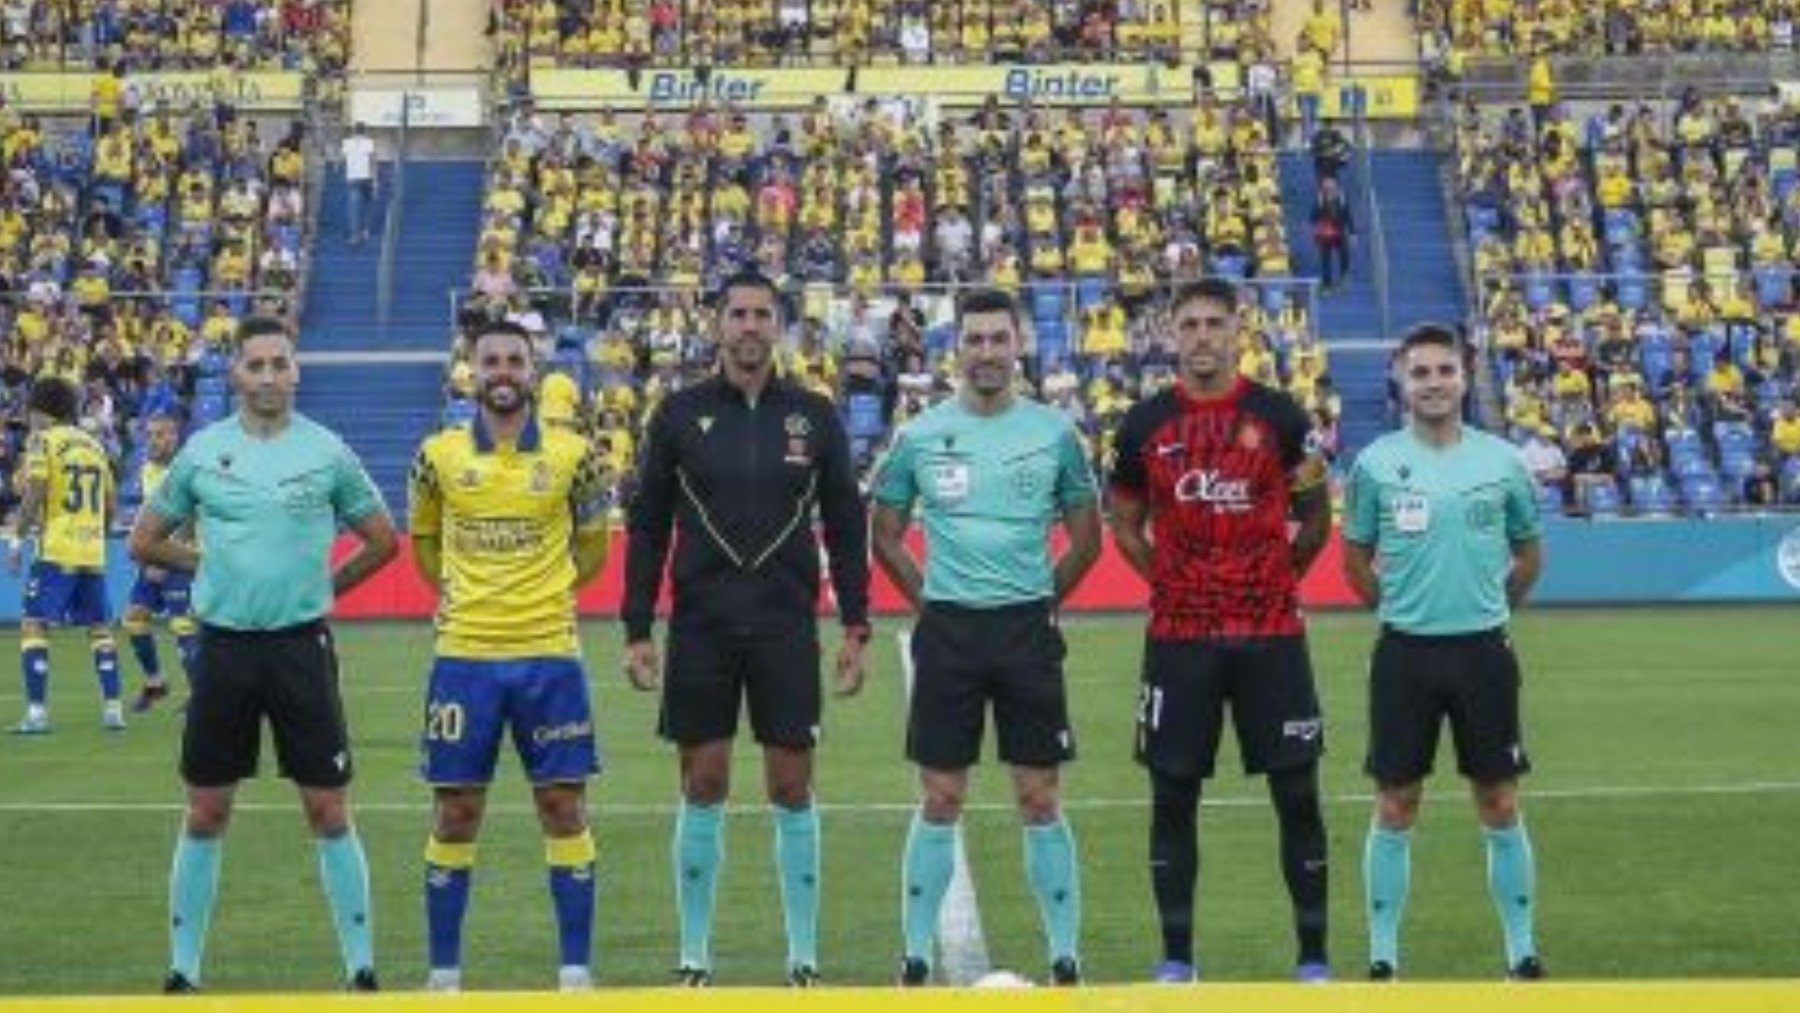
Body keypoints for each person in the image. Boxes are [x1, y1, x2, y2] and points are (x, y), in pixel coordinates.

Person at [127, 316, 400, 994]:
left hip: (301, 647)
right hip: (222, 648)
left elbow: (381, 538)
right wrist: (208, 561)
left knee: (329, 809)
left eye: (281, 363)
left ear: (296, 371)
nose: (271, 376)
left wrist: (325, 586)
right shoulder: (201, 452)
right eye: (257, 365)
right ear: (236, 372)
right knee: (206, 809)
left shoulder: (328, 451)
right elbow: (145, 538)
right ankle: (183, 970)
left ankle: (361, 968)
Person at [622, 270, 871, 987]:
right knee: (704, 779)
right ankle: (695, 954)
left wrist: (856, 623)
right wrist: (638, 626)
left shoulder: (815, 415)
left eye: (764, 314)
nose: (751, 326)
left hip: (786, 624)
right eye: (739, 313)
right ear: (717, 324)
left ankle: (802, 956)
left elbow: (847, 525)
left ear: (781, 326)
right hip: (700, 625)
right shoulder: (677, 413)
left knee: (791, 783)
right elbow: (647, 527)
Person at [870, 288, 1102, 988]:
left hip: (1026, 628)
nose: (988, 352)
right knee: (940, 793)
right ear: (956, 348)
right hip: (951, 630)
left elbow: (1087, 537)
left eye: (1000, 338)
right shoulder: (917, 435)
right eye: (974, 339)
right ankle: (914, 954)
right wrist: (930, 603)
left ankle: (1065, 953)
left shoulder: (1056, 432)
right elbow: (884, 533)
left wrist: (1039, 602)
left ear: (1019, 344)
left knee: (1039, 792)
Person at [1107, 278, 1334, 984]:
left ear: (1239, 329)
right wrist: (1172, 582)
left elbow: (1318, 515)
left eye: (1214, 322)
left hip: (1271, 634)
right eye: (1190, 324)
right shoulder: (1143, 425)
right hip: (1180, 637)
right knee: (1173, 794)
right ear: (1171, 335)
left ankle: (1314, 959)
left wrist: (1277, 577)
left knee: (1296, 794)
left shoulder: (1280, 415)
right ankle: (1177, 958)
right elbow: (1124, 520)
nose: (1202, 335)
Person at [408, 319, 613, 993]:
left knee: (562, 805)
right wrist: (467, 601)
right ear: (469, 368)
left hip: (549, 656)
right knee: (457, 811)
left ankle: (575, 972)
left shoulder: (575, 453)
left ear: (533, 369)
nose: (501, 370)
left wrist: (543, 597)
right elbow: (428, 543)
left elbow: (591, 549)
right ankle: (443, 974)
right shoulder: (435, 454)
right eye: (489, 359)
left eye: (513, 360)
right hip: (463, 658)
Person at [1341, 323, 1546, 982]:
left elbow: (1528, 552)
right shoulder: (1375, 463)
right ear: (1401, 381)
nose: (1433, 382)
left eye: (1444, 370)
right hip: (1405, 654)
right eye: (1420, 372)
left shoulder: (1503, 462)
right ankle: (1382, 955)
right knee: (1396, 803)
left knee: (1500, 801)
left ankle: (1521, 951)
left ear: (1464, 375)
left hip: (1484, 652)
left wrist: (1490, 608)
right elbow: (1354, 558)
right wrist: (1399, 609)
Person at [7, 376, 123, 733]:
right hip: (91, 550)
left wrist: (16, 540)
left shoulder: (43, 441)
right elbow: (110, 504)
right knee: (99, 627)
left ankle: (38, 714)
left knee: (34, 624)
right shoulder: (93, 444)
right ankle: (113, 710)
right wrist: (97, 538)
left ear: (41, 410)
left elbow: (36, 490)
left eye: (31, 410)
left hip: (57, 547)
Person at [124, 411, 199, 713]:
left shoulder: (185, 469)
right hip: (155, 557)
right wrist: (147, 557)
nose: (153, 441)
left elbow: (188, 518)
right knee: (134, 619)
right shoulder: (148, 471)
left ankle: (201, 695)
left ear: (174, 437)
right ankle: (156, 682)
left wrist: (164, 558)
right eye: (150, 435)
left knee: (182, 623)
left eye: (160, 434)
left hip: (183, 556)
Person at [1310, 176, 1354, 292]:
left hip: (1340, 231)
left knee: (1345, 254)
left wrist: (1352, 231)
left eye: (1331, 185)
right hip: (1325, 233)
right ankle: (1327, 283)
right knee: (1326, 259)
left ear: (1336, 186)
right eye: (1326, 186)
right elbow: (1313, 218)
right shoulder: (1320, 199)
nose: (1329, 188)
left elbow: (1347, 215)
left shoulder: (1342, 198)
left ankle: (1343, 278)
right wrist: (1318, 206)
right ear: (1323, 188)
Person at [340, 121, 378, 244]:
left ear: (353, 130)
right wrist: (376, 179)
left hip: (352, 177)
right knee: (368, 203)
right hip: (366, 176)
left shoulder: (347, 143)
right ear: (364, 131)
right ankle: (366, 230)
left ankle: (355, 235)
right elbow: (373, 161)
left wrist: (342, 168)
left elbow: (342, 159)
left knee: (354, 207)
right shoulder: (369, 142)